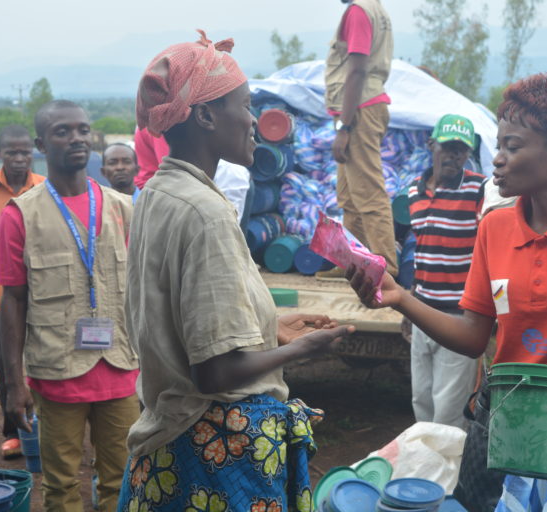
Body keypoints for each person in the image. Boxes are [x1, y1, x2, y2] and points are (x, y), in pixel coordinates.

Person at [346, 73, 547, 512]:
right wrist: (400, 297)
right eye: (499, 146)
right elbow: (474, 337)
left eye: (513, 147)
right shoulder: (494, 228)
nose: (497, 160)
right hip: (507, 418)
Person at [116, 31, 353, 512]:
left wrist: (271, 330)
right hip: (218, 456)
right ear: (204, 115)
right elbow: (215, 372)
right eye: (244, 106)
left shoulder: (158, 195)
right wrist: (304, 350)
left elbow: (183, 326)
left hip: (171, 442)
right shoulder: (206, 212)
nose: (252, 121)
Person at [0, 100, 140, 512]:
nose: (76, 138)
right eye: (62, 131)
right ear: (42, 143)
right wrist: (14, 383)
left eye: (82, 130)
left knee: (122, 480)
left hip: (119, 370)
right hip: (57, 373)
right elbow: (13, 300)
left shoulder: (122, 208)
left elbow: (143, 291)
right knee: (60, 486)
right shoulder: (21, 214)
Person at [406, 114, 487, 430]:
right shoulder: (414, 191)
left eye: (460, 150)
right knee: (421, 403)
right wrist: (410, 307)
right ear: (431, 146)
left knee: (448, 414)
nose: (453, 155)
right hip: (422, 314)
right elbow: (422, 251)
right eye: (447, 147)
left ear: (468, 154)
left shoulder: (479, 190)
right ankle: (428, 472)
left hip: (459, 319)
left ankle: (449, 476)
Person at [0, 125, 45, 459]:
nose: (19, 159)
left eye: (25, 153)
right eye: (12, 153)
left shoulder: (45, 189)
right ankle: (14, 432)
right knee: (5, 361)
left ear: (33, 153)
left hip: (40, 290)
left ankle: (44, 425)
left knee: (42, 355)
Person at [317, 0, 397, 280]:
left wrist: (345, 126)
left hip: (359, 111)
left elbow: (357, 70)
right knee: (350, 196)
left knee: (369, 194)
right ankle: (353, 263)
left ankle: (387, 267)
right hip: (362, 108)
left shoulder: (359, 11)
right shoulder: (375, 9)